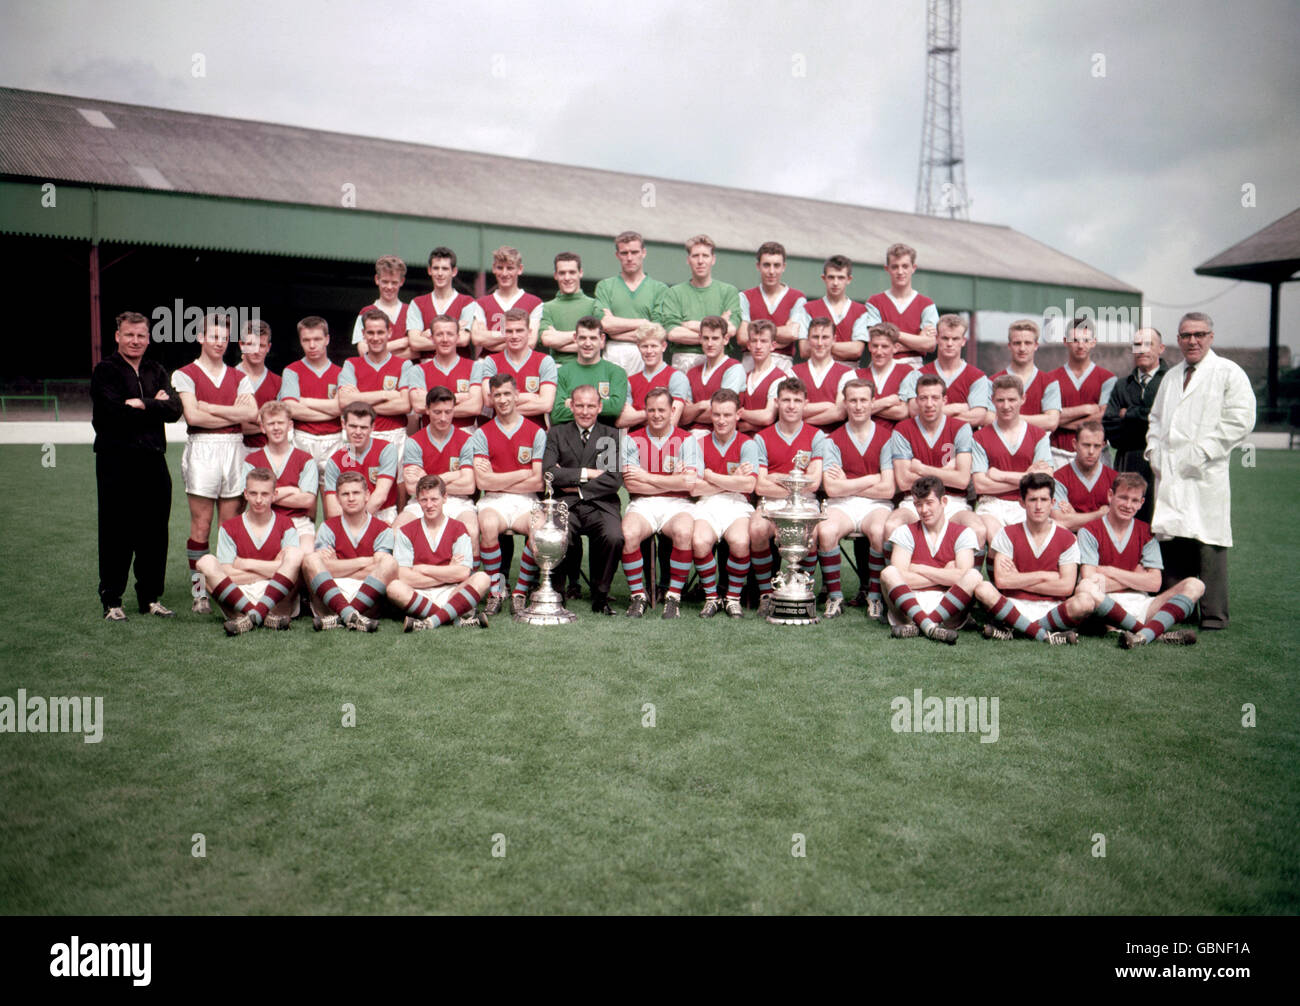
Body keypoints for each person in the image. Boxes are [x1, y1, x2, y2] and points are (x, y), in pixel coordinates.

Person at [1145, 311, 1256, 631]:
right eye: (1185, 335)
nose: (1192, 341)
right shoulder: (1171, 377)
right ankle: (1178, 611)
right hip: (1170, 472)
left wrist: (1204, 452)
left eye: (1199, 334)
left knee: (1208, 543)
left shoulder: (1228, 372)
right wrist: (1153, 451)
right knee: (1174, 540)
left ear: (1211, 336)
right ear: (1177, 340)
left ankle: (1213, 615)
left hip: (1205, 472)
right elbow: (1155, 420)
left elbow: (1240, 420)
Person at [91, 310, 183, 620]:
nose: (135, 340)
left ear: (149, 337)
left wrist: (144, 403)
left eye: (141, 335)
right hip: (116, 462)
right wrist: (152, 408)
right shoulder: (105, 371)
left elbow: (174, 409)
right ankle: (112, 600)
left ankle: (150, 598)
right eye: (129, 334)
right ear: (118, 336)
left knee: (155, 532)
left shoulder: (156, 370)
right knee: (117, 531)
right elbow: (109, 415)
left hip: (153, 460)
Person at [510, 384, 624, 615]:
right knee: (558, 533)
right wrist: (588, 473)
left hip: (601, 504)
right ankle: (557, 594)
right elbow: (550, 473)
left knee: (614, 536)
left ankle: (601, 595)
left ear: (600, 407)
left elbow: (613, 479)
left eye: (591, 406)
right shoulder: (556, 433)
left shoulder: (610, 435)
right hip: (565, 504)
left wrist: (576, 485)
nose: (585, 411)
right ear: (571, 406)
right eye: (579, 405)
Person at [174, 312, 258, 613]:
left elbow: (250, 416)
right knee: (201, 525)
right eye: (213, 337)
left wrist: (210, 407)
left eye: (224, 338)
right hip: (202, 449)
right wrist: (229, 411)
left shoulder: (240, 377)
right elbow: (194, 417)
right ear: (200, 338)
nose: (220, 343)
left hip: (235, 449)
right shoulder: (185, 373)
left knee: (227, 528)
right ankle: (199, 591)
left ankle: (222, 588)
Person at [1077, 472, 1204, 647]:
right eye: (1123, 497)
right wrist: (1136, 578)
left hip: (1142, 603)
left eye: (1135, 500)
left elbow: (1154, 584)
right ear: (1110, 495)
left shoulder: (1146, 532)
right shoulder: (1090, 531)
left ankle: (1141, 632)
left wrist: (1110, 571)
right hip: (1106, 605)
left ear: (1142, 503)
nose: (1128, 505)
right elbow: (1091, 580)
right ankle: (1152, 633)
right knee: (1086, 588)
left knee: (1195, 585)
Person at [972, 473, 1097, 645]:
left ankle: (1015, 630)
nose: (1038, 506)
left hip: (1052, 608)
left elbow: (1066, 587)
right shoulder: (1007, 534)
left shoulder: (1067, 538)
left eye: (1044, 500)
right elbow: (1002, 581)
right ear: (1022, 503)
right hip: (1013, 604)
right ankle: (1045, 635)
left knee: (1085, 602)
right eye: (1032, 500)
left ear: (1052, 503)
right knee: (983, 588)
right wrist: (1045, 576)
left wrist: (1018, 578)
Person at [621, 387, 704, 619]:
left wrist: (647, 477)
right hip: (643, 503)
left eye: (661, 410)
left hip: (678, 504)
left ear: (672, 410)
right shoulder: (631, 439)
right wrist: (673, 480)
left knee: (684, 532)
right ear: (645, 411)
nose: (656, 415)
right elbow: (632, 486)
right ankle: (638, 595)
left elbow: (689, 485)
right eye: (651, 410)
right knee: (628, 534)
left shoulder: (687, 440)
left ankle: (673, 597)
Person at [750, 378, 830, 617]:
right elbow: (760, 485)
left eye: (797, 401)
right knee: (756, 529)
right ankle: (767, 593)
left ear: (805, 403)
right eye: (786, 400)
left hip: (805, 502)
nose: (791, 406)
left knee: (813, 532)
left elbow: (814, 482)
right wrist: (795, 482)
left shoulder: (817, 436)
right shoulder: (761, 438)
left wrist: (777, 476)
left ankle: (803, 589)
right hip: (772, 503)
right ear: (777, 402)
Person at [815, 379, 895, 619]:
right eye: (853, 400)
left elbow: (889, 489)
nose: (858, 406)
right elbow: (831, 489)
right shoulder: (831, 440)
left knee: (880, 531)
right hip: (842, 505)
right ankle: (835, 597)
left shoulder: (888, 437)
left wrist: (847, 484)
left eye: (863, 400)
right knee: (826, 531)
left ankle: (874, 597)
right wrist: (873, 478)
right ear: (845, 403)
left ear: (872, 402)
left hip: (877, 505)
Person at [193, 467, 302, 635]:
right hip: (237, 595)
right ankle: (261, 616)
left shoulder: (286, 524)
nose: (258, 500)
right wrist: (274, 569)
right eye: (253, 493)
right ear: (245, 494)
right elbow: (227, 573)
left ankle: (250, 618)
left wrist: (245, 564)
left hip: (276, 598)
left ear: (274, 495)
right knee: (204, 562)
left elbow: (292, 568)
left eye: (265, 494)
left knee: (296, 555)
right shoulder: (229, 527)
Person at [471, 374, 546, 613]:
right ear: (491, 399)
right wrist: (521, 474)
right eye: (497, 395)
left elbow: (538, 483)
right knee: (489, 525)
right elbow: (484, 482)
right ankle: (496, 590)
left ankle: (520, 592)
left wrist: (498, 479)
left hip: (527, 501)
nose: (502, 399)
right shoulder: (482, 433)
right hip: (494, 501)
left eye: (506, 393)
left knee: (539, 528)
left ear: (516, 395)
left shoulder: (536, 432)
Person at [879, 475, 982, 644]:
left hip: (949, 609)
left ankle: (922, 626)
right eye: (918, 504)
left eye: (929, 503)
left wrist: (918, 568)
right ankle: (931, 628)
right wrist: (945, 575)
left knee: (974, 576)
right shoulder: (905, 532)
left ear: (944, 502)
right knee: (889, 573)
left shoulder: (963, 533)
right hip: (908, 609)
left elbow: (962, 577)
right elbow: (899, 578)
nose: (924, 510)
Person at [387, 475, 491, 630]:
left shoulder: (459, 528)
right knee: (393, 587)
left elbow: (462, 573)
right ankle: (452, 617)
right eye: (424, 500)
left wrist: (424, 569)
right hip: (418, 592)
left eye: (434, 499)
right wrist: (447, 573)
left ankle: (430, 620)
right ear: (418, 501)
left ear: (445, 498)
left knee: (482, 578)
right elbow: (404, 576)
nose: (429, 505)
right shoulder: (406, 531)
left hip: (451, 592)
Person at [690, 389, 759, 619]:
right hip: (706, 502)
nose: (721, 420)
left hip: (737, 503)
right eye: (717, 414)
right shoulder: (698, 443)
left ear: (738, 414)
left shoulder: (748, 444)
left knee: (740, 542)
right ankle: (711, 597)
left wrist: (710, 475)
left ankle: (732, 598)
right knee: (700, 542)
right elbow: (694, 488)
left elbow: (749, 486)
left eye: (727, 415)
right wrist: (732, 480)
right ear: (711, 413)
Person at [302, 470, 397, 632]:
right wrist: (364, 562)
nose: (351, 498)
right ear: (338, 499)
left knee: (389, 563)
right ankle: (350, 616)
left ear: (367, 495)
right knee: (310, 559)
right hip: (330, 598)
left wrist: (337, 566)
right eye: (345, 494)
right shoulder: (327, 528)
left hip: (368, 601)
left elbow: (382, 569)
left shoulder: (383, 530)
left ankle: (342, 617)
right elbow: (319, 568)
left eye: (356, 493)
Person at [396, 389, 478, 564]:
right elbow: (412, 488)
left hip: (458, 501)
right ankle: (407, 578)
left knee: (471, 530)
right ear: (427, 410)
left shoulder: (466, 439)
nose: (443, 418)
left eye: (448, 412)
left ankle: (467, 582)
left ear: (454, 410)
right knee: (397, 530)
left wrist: (427, 478)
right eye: (437, 412)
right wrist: (453, 475)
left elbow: (469, 485)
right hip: (421, 501)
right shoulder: (414, 442)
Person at [971, 374, 1053, 544]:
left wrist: (999, 475)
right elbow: (980, 485)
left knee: (1028, 542)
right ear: (992, 400)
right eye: (1000, 400)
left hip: (1027, 502)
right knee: (999, 540)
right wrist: (1026, 477)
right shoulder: (980, 437)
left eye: (1012, 400)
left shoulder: (1038, 435)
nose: (1006, 406)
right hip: (991, 504)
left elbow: (1045, 480)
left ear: (1023, 399)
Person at [1103, 327, 1167, 523]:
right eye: (1137, 345)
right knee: (1127, 518)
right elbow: (1111, 430)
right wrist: (1147, 420)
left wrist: (1128, 414)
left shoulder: (1171, 381)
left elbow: (1169, 424)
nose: (1142, 350)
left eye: (1148, 344)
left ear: (1161, 348)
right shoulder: (1122, 384)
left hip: (1163, 462)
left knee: (1159, 520)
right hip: (1128, 461)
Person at [243, 401, 319, 553]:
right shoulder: (251, 461)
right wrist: (293, 490)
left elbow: (307, 500)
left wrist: (267, 495)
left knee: (307, 556)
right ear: (263, 428)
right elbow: (253, 500)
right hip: (263, 521)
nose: (276, 428)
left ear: (290, 425)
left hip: (299, 523)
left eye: (280, 423)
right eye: (271, 424)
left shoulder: (305, 459)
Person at [338, 308, 414, 460]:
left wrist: (358, 400)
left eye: (380, 332)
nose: (375, 337)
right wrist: (386, 394)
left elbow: (405, 405)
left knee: (395, 484)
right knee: (354, 482)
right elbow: (345, 402)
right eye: (370, 333)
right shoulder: (351, 364)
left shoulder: (404, 365)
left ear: (389, 333)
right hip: (358, 437)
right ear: (363, 334)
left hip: (394, 435)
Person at [594, 230, 670, 374]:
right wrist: (642, 323)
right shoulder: (605, 286)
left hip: (645, 354)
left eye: (634, 252)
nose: (629, 258)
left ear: (644, 253)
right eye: (624, 253)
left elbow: (655, 332)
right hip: (612, 353)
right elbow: (605, 324)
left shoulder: (659, 289)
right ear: (617, 255)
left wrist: (615, 333)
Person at [659, 234, 742, 366]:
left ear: (713, 259)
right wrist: (716, 332)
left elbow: (731, 330)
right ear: (688, 259)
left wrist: (690, 325)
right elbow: (673, 333)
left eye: (705, 256)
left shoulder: (728, 292)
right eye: (695, 256)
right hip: (684, 360)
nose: (700, 261)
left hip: (718, 361)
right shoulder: (674, 293)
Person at [899, 314, 990, 427]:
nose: (950, 344)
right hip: (925, 442)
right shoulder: (919, 375)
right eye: (945, 338)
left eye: (955, 339)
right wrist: (955, 408)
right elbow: (915, 412)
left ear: (963, 341)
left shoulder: (977, 377)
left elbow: (977, 416)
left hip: (961, 443)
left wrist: (931, 415)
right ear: (937, 339)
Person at [279, 315, 343, 478]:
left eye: (317, 339)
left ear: (327, 339)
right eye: (306, 340)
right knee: (304, 499)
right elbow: (291, 408)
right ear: (300, 341)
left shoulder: (341, 372)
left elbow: (342, 407)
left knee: (334, 497)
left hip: (335, 440)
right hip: (302, 439)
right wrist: (332, 410)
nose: (312, 345)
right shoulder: (291, 371)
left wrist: (304, 401)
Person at [1047, 318, 1115, 461]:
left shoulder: (1107, 379)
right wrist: (1086, 409)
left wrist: (1059, 420)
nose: (1080, 345)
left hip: (1096, 455)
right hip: (1058, 454)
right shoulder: (1050, 378)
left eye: (1085, 340)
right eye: (1075, 340)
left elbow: (1103, 417)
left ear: (1093, 342)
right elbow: (1047, 417)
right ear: (1065, 341)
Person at [862, 243, 939, 366]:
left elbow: (930, 345)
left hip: (914, 369)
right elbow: (876, 342)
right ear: (887, 269)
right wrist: (917, 340)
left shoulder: (926, 304)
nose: (900, 271)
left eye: (905, 266)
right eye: (895, 267)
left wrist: (893, 335)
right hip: (881, 366)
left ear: (913, 268)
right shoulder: (874, 302)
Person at [474, 308, 558, 421]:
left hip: (535, 432)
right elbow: (489, 401)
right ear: (503, 332)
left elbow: (546, 404)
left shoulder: (545, 361)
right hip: (500, 431)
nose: (514, 336)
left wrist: (503, 403)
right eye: (509, 331)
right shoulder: (491, 361)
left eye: (519, 331)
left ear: (529, 332)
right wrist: (530, 397)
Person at [402, 314, 482, 430]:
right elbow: (419, 406)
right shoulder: (418, 370)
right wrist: (460, 397)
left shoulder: (474, 367)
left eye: (450, 334)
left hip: (466, 437)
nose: (445, 339)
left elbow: (474, 407)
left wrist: (433, 405)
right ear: (431, 338)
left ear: (458, 337)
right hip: (430, 438)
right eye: (439, 334)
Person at [322, 403, 399, 524]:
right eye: (353, 426)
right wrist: (352, 525)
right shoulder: (335, 461)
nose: (358, 432)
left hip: (382, 513)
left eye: (363, 427)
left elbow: (380, 497)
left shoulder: (386, 449)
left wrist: (359, 523)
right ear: (344, 424)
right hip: (347, 517)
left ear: (372, 427)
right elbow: (333, 510)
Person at [551, 316, 629, 425]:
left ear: (602, 339)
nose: (587, 343)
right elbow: (557, 414)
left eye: (593, 338)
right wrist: (600, 405)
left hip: (604, 437)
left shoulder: (616, 372)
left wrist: (574, 404)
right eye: (583, 338)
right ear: (575, 338)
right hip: (569, 438)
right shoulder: (561, 373)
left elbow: (615, 408)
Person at [406, 247, 479, 359]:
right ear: (429, 270)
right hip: (426, 369)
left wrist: (429, 334)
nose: (440, 273)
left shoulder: (467, 302)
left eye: (445, 268)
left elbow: (464, 340)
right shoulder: (417, 303)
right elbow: (415, 343)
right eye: (436, 268)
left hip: (459, 369)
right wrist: (454, 332)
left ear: (454, 271)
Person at [737, 241, 804, 363]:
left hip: (783, 362)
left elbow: (793, 333)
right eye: (766, 265)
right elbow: (742, 337)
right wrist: (780, 336)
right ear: (758, 266)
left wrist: (754, 333)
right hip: (751, 362)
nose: (771, 271)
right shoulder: (745, 297)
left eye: (776, 265)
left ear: (784, 267)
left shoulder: (797, 298)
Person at [795, 254, 868, 363]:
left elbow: (857, 350)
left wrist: (819, 346)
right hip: (817, 370)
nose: (835, 283)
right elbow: (804, 350)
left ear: (849, 279)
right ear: (824, 278)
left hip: (849, 373)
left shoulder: (860, 311)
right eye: (831, 277)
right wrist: (844, 349)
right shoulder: (808, 309)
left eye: (841, 277)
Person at [680, 315, 746, 435]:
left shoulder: (734, 368)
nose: (710, 344)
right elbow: (682, 416)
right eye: (706, 338)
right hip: (690, 437)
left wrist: (693, 410)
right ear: (700, 338)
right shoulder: (692, 372)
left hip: (719, 439)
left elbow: (724, 413)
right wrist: (702, 405)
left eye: (715, 338)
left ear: (725, 339)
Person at [992, 319, 1060, 433]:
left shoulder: (1049, 383)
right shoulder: (993, 381)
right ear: (1009, 346)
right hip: (1000, 447)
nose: (1022, 349)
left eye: (1027, 343)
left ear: (1036, 345)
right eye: (1017, 343)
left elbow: (1051, 421)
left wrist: (1006, 418)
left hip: (1037, 449)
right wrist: (1038, 420)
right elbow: (988, 419)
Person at [472, 245, 542, 354]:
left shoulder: (534, 303)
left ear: (520, 269)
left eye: (510, 268)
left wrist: (490, 339)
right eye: (500, 268)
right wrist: (516, 338)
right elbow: (477, 338)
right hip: (489, 365)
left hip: (519, 366)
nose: (504, 273)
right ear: (494, 268)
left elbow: (531, 342)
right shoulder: (481, 303)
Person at [619, 322, 690, 430]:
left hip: (665, 443)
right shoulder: (630, 381)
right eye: (644, 346)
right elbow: (621, 421)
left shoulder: (676, 377)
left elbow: (671, 422)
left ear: (663, 346)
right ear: (638, 347)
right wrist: (659, 413)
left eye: (654, 346)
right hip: (635, 442)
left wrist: (636, 415)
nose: (649, 351)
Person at [539, 252, 605, 366]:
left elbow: (601, 344)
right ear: (555, 275)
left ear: (580, 273)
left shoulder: (594, 305)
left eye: (572, 272)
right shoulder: (546, 307)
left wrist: (558, 339)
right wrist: (587, 336)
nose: (567, 278)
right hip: (558, 370)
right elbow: (548, 340)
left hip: (590, 368)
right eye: (562, 273)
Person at [1052, 420, 1115, 531]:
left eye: (1096, 446)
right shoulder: (1059, 478)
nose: (1091, 451)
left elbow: (1118, 522)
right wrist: (1100, 514)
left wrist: (1074, 516)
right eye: (1086, 445)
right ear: (1074, 444)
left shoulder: (1114, 479)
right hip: (1072, 542)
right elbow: (1061, 522)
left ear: (1103, 446)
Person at [791, 316, 854, 429]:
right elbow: (791, 409)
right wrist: (828, 405)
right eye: (815, 337)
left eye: (825, 337)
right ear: (808, 339)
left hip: (834, 439)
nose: (820, 343)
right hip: (802, 439)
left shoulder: (847, 374)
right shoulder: (793, 372)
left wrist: (804, 424)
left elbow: (839, 413)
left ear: (834, 339)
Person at [351, 254, 411, 358]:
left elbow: (417, 351)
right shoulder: (365, 312)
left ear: (402, 282)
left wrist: (377, 350)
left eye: (394, 282)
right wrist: (403, 342)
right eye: (385, 282)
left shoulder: (412, 311)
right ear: (377, 279)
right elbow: (364, 352)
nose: (389, 287)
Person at [737, 319, 789, 434]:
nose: (758, 346)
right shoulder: (743, 377)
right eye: (754, 341)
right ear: (748, 345)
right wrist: (754, 424)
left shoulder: (780, 378)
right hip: (742, 444)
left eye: (763, 341)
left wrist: (741, 413)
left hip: (768, 446)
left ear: (772, 345)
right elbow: (733, 422)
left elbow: (767, 417)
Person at [236, 319, 280, 453]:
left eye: (261, 345)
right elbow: (229, 425)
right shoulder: (228, 378)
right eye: (250, 344)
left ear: (268, 347)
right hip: (234, 451)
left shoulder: (278, 382)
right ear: (241, 345)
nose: (256, 351)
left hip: (268, 452)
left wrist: (244, 419)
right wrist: (268, 422)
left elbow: (281, 424)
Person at [856, 323, 912, 424]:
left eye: (885, 346)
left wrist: (862, 408)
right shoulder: (855, 375)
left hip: (893, 437)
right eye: (875, 346)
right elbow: (848, 410)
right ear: (869, 346)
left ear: (896, 347)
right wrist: (888, 401)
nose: (879, 352)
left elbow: (903, 412)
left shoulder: (907, 372)